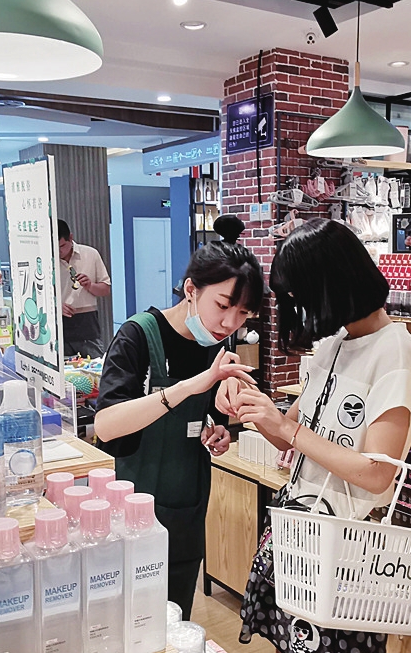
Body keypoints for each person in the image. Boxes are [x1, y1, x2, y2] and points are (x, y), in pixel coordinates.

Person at [221, 218, 411, 653]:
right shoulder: (334, 344)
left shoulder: (396, 351)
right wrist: (252, 407)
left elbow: (377, 472)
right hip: (299, 533)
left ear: (331, 287)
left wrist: (289, 432)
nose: (298, 311)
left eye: (300, 298)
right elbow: (297, 434)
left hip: (346, 552)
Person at [93, 226, 263, 616]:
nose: (229, 323)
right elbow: (106, 425)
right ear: (191, 289)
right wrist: (188, 387)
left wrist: (216, 428)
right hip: (132, 511)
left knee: (176, 618)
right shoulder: (138, 336)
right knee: (130, 620)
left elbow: (202, 416)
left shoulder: (214, 343)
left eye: (242, 314)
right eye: (223, 305)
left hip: (185, 510)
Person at [58, 219, 112, 357]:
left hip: (87, 324)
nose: (58, 251)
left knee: (96, 366)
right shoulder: (46, 260)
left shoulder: (90, 254)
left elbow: (105, 289)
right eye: (54, 247)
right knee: (64, 368)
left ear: (71, 237)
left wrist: (90, 285)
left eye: (62, 246)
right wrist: (56, 306)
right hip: (58, 326)